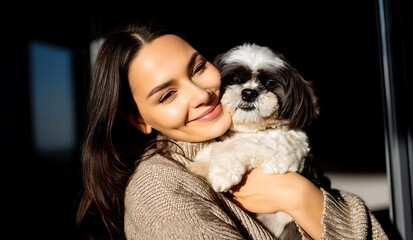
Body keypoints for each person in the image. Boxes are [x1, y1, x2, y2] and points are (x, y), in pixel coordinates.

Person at [74, 18, 389, 240]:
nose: (200, 94)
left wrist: (299, 195)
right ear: (139, 120)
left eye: (198, 68)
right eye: (168, 95)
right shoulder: (160, 191)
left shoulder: (253, 137)